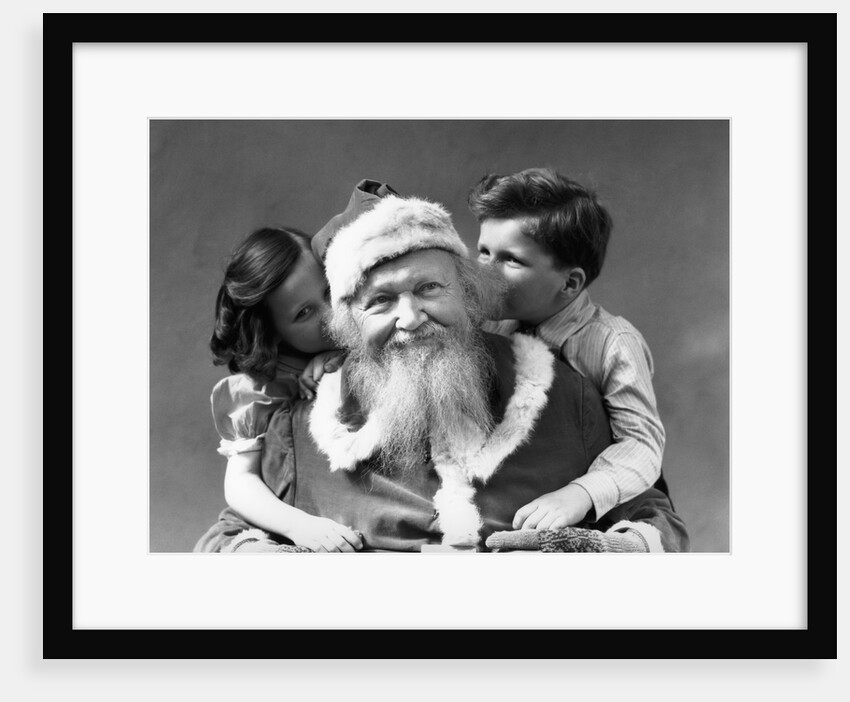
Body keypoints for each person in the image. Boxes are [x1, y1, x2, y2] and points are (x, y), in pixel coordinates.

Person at [195, 193, 689, 553]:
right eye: (380, 302)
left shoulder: (565, 391)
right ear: (345, 325)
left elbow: (652, 516)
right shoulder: (298, 417)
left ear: (470, 294)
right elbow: (229, 535)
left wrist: (580, 555)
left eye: (430, 288)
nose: (409, 319)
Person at [468, 167, 669, 531]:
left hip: (585, 507)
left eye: (510, 259)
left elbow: (641, 445)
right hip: (510, 493)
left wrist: (578, 495)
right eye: (484, 252)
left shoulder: (612, 342)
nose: (485, 271)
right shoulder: (487, 324)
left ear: (570, 283)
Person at [208, 225, 361, 552]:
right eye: (304, 313)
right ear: (274, 332)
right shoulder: (261, 389)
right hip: (290, 523)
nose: (333, 316)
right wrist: (298, 526)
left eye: (328, 292)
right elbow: (240, 481)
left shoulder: (368, 333)